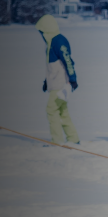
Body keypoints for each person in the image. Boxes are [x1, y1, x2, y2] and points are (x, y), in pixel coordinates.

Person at [35, 14, 80, 146]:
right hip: (56, 83)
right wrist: (46, 82)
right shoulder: (51, 43)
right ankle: (73, 138)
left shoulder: (58, 41)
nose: (41, 35)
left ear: (47, 30)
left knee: (51, 110)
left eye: (42, 32)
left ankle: (57, 141)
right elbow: (53, 67)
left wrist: (73, 79)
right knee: (62, 111)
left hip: (60, 85)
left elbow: (67, 61)